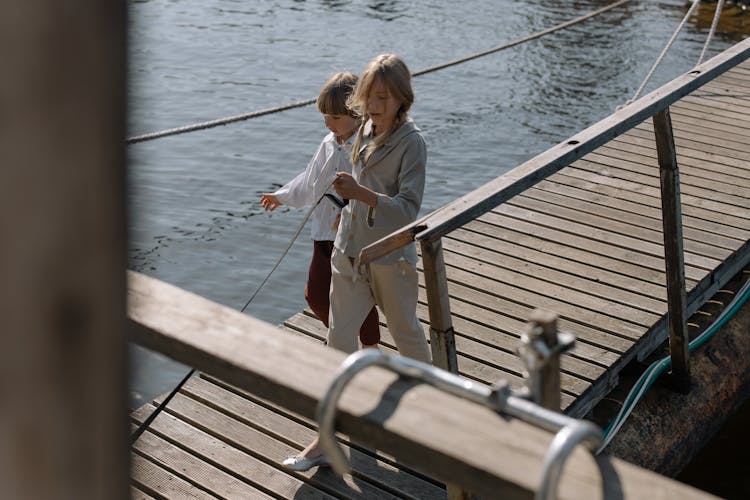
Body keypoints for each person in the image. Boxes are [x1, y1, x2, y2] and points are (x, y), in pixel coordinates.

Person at [282, 54, 431, 472]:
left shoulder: (413, 142)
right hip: (348, 252)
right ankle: (325, 439)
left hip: (389, 255)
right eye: (370, 95)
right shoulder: (361, 129)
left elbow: (409, 208)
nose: (375, 104)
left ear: (403, 97)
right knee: (337, 343)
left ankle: (439, 419)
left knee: (407, 336)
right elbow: (324, 169)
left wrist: (361, 194)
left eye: (383, 96)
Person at [260, 72, 380, 349]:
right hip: (323, 234)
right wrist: (282, 196)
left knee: (354, 296)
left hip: (351, 236)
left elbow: (375, 188)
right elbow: (310, 179)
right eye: (325, 117)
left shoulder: (367, 146)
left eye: (335, 118)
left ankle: (369, 346)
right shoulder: (328, 142)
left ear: (356, 113)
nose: (328, 123)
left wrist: (352, 211)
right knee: (315, 295)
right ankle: (344, 337)